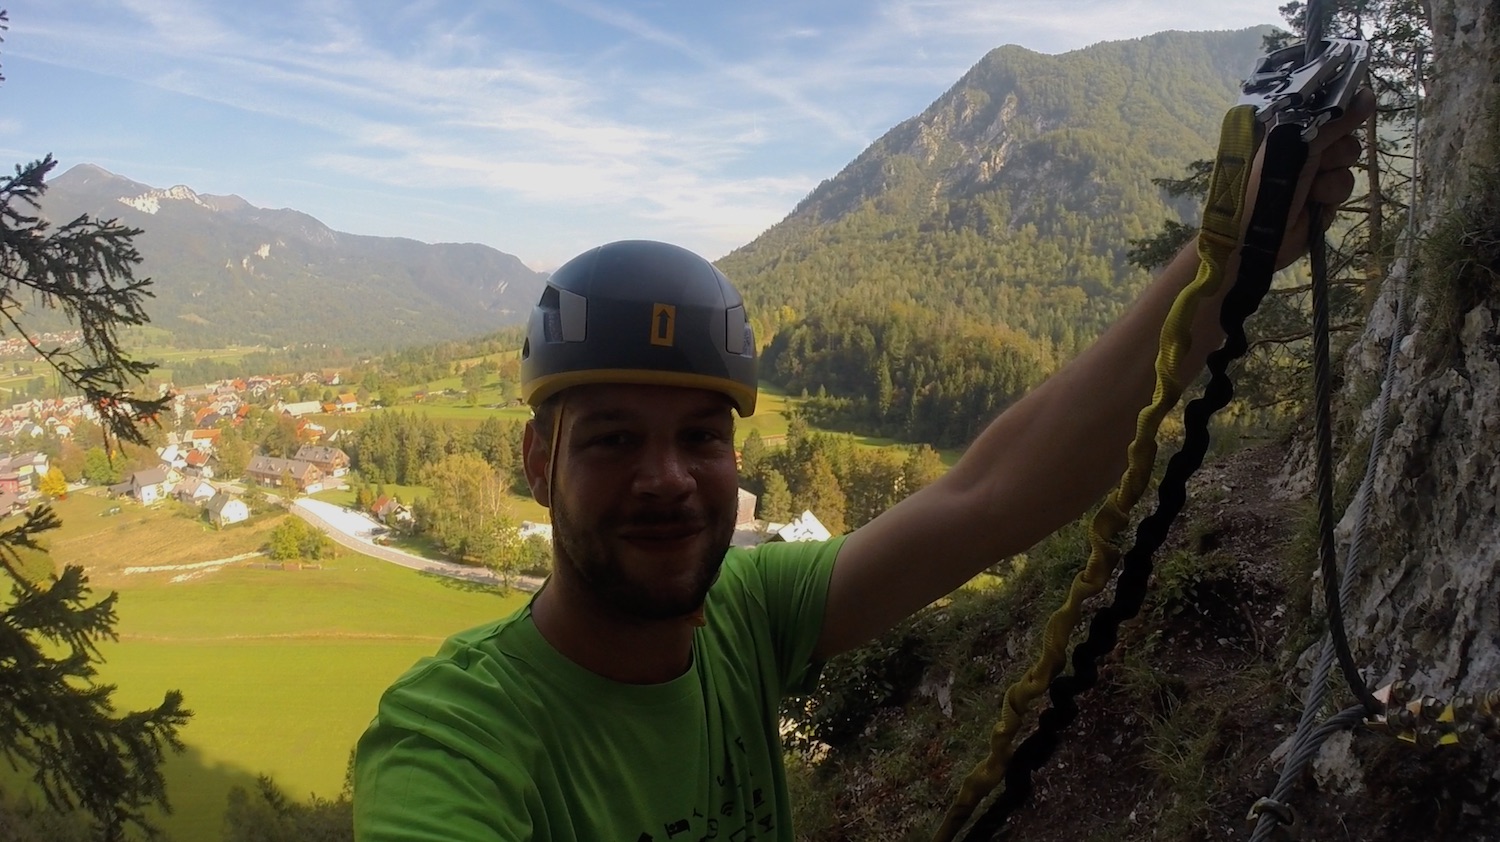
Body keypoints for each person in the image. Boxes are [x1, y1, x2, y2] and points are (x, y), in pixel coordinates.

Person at [352, 88, 1377, 841]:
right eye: (615, 437)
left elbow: (991, 494)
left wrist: (1225, 261)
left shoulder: (746, 618)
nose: (667, 476)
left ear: (734, 454)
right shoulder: (456, 735)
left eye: (701, 436)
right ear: (539, 459)